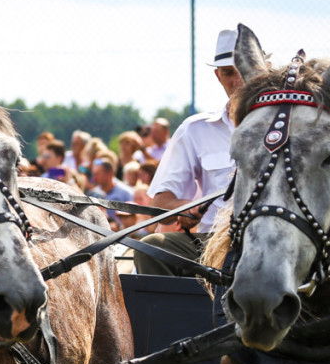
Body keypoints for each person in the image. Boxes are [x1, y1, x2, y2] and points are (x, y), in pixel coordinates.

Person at [134, 28, 245, 276]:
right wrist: (187, 207)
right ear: (218, 76)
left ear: (262, 69)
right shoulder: (195, 130)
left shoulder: (288, 126)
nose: (237, 81)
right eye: (228, 72)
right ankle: (165, 316)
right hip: (212, 242)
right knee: (150, 248)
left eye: (244, 71)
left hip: (271, 240)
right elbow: (161, 206)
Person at [88, 155, 134, 230]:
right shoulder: (93, 193)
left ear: (109, 173)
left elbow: (132, 219)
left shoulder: (126, 193)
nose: (94, 177)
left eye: (97, 174)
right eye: (94, 174)